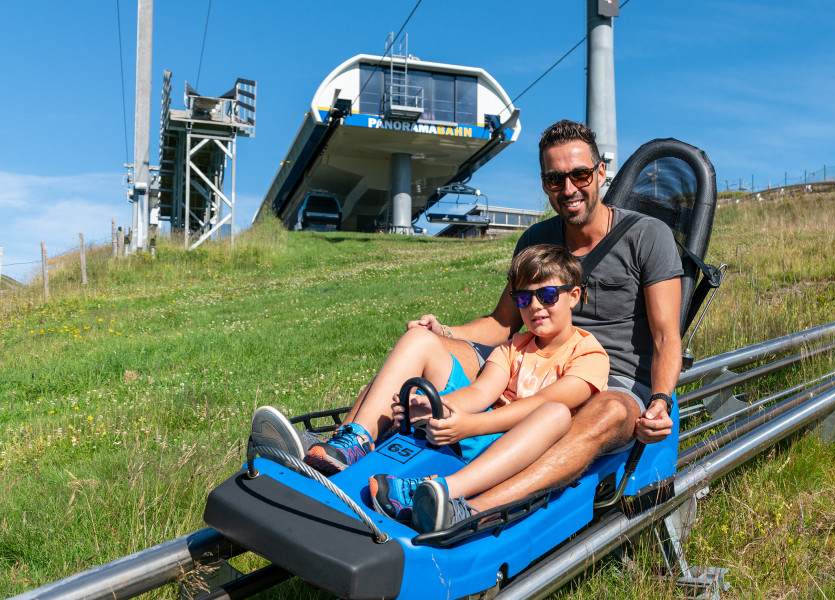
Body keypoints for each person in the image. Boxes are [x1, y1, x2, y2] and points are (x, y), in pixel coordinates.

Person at [272, 119, 680, 519]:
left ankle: (470, 510)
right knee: (417, 351)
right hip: (529, 361)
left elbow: (665, 338)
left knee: (599, 411)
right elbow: (503, 323)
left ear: (600, 172)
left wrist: (660, 399)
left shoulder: (647, 235)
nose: (569, 188)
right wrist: (443, 333)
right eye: (555, 179)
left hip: (609, 383)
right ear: (544, 183)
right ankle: (344, 449)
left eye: (579, 174)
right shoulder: (536, 242)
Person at [367, 244, 609, 532]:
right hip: (483, 435)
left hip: (528, 455)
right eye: (523, 298)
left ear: (574, 296)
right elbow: (482, 392)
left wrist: (471, 425)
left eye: (547, 295)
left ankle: (442, 491)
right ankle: (354, 442)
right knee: (418, 339)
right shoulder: (513, 347)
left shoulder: (589, 355)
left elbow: (541, 402)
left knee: (556, 413)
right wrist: (438, 407)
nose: (534, 306)